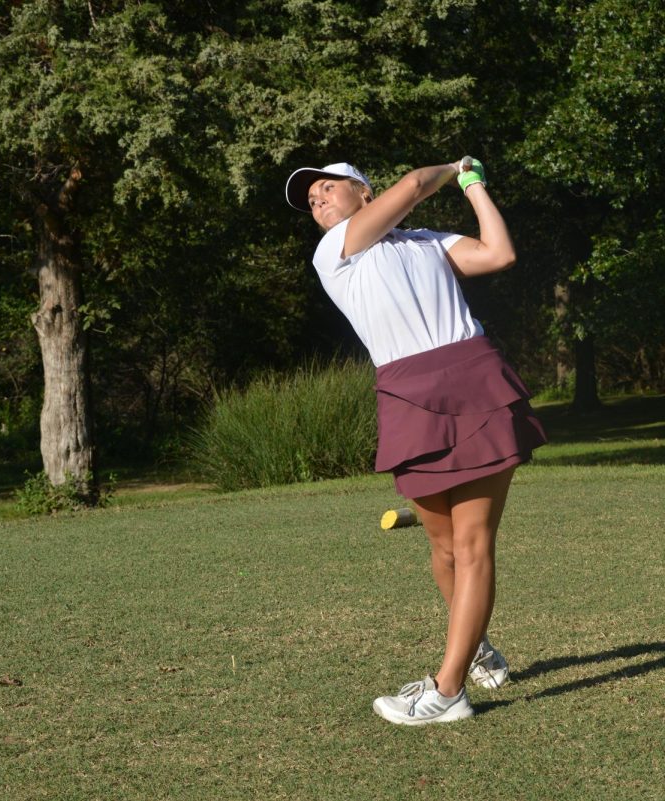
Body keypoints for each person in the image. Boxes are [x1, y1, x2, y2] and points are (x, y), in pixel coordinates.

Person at [284, 157, 547, 725]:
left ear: (362, 189)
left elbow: (499, 252)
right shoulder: (335, 251)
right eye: (310, 201)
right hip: (407, 394)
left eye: (328, 188)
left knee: (473, 544)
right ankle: (472, 644)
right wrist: (452, 167)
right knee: (444, 548)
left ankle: (448, 690)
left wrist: (474, 184)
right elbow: (411, 187)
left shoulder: (430, 241)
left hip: (475, 381)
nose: (318, 201)